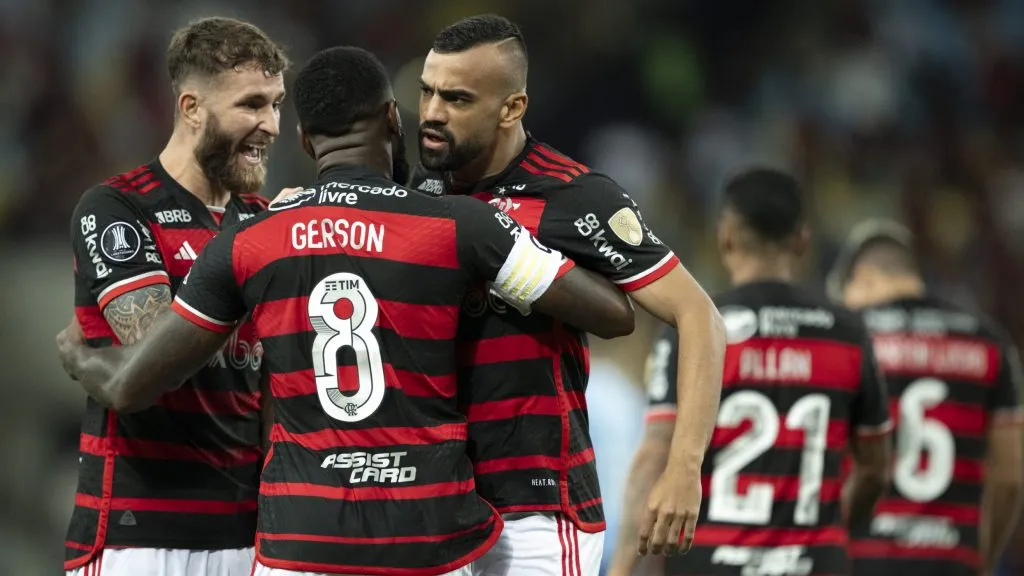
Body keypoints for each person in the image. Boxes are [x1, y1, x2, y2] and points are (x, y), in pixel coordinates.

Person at [56, 46, 637, 576]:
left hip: (301, 542)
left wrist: (81, 356)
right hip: (427, 535)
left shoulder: (249, 242)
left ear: (306, 142)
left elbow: (132, 386)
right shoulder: (459, 225)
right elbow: (613, 314)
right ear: (392, 119)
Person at [409, 15, 725, 574]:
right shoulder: (417, 194)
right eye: (427, 91)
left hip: (535, 515)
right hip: (434, 502)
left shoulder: (574, 196)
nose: (432, 113)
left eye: (456, 98)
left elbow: (698, 315)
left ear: (512, 108)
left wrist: (684, 468)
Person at [63, 17, 288, 576]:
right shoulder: (117, 209)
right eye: (251, 104)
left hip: (248, 533)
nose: (271, 125)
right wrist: (251, 247)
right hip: (140, 538)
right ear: (191, 108)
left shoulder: (262, 222)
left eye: (277, 104)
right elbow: (153, 356)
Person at [609, 168, 894, 576]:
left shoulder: (695, 329)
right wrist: (829, 530)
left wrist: (621, 569)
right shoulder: (847, 334)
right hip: (814, 561)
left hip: (710, 561)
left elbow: (654, 457)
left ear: (725, 234)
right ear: (802, 239)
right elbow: (875, 469)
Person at [828, 220, 1024, 576]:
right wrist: (983, 556)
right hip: (951, 558)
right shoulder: (988, 342)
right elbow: (1010, 475)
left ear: (864, 278)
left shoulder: (846, 338)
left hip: (860, 557)